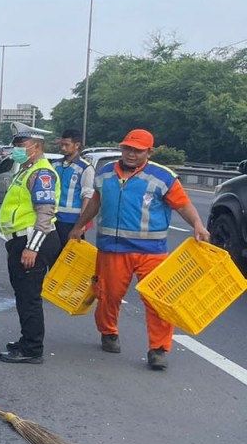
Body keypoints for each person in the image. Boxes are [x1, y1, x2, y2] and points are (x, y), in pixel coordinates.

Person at [68, 129, 210, 370]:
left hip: (151, 252)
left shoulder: (162, 177)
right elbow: (95, 202)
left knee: (158, 301)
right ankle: (108, 332)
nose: (131, 154)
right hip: (112, 250)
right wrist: (79, 226)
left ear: (149, 152)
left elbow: (183, 205)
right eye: (127, 148)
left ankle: (158, 349)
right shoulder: (105, 173)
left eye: (137, 150)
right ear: (121, 148)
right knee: (108, 296)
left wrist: (197, 224)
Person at [0, 126, 61, 364]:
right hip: (21, 239)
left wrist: (32, 248)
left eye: (21, 146)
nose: (17, 150)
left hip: (33, 240)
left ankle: (32, 349)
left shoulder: (42, 173)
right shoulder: (27, 169)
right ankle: (27, 341)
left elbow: (45, 213)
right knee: (23, 295)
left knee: (29, 296)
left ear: (37, 146)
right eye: (15, 145)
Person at [54, 128, 95, 247]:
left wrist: (82, 224)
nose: (63, 148)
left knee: (69, 257)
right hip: (53, 219)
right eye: (62, 144)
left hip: (72, 220)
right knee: (53, 257)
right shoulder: (55, 164)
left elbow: (87, 196)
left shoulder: (85, 168)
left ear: (77, 145)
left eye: (67, 145)